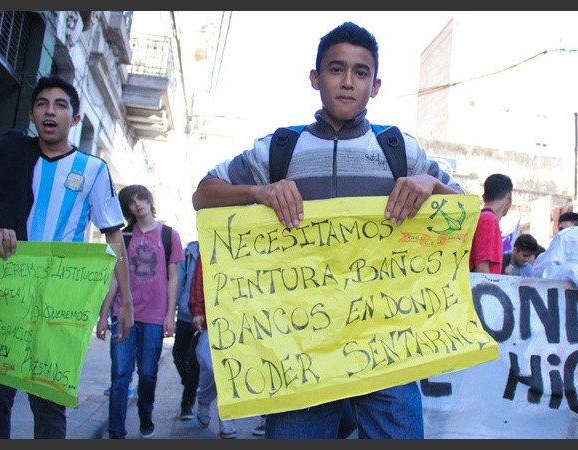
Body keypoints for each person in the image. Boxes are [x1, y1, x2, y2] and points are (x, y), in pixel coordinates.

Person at [191, 21, 463, 439]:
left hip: (385, 345)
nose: (348, 82)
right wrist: (258, 191)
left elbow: (466, 209)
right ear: (315, 78)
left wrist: (432, 184)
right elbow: (204, 195)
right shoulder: (279, 148)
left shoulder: (400, 150)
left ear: (375, 85)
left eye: (361, 72)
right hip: (301, 352)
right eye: (336, 69)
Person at [0, 75, 134, 439]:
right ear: (31, 114)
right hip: (9, 298)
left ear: (74, 118)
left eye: (60, 105)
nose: (50, 111)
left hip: (58, 304)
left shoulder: (93, 170)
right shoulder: (9, 156)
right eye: (42, 104)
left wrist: (126, 302)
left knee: (49, 402)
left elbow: (114, 236)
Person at [98, 184, 183, 439]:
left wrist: (171, 315)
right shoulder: (122, 237)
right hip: (123, 314)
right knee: (121, 374)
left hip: (155, 317)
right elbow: (113, 279)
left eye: (141, 198)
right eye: (132, 201)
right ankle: (116, 432)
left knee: (147, 373)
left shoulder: (169, 235)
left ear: (148, 199)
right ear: (128, 209)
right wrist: (103, 315)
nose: (138, 204)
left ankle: (146, 416)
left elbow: (173, 278)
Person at [188, 253, 237, 439]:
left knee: (231, 370)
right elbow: (199, 279)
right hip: (214, 318)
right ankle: (204, 399)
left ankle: (227, 416)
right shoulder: (211, 241)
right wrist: (198, 310)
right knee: (210, 366)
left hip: (240, 317)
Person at [172, 240, 201, 420]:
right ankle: (190, 384)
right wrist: (171, 312)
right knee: (178, 355)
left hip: (205, 317)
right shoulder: (188, 253)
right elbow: (177, 282)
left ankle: (187, 402)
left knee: (195, 359)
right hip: (184, 314)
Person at [469, 173, 513, 273]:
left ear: (484, 197)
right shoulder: (488, 219)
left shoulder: (481, 217)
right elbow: (482, 269)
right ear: (509, 196)